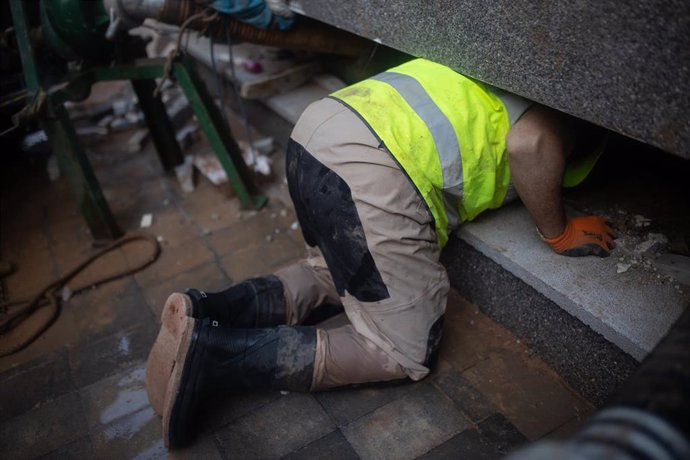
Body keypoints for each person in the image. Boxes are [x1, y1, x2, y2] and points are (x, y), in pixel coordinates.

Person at [145, 58, 616, 448]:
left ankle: (208, 310)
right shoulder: (565, 109)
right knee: (402, 351)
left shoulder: (497, 68)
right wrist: (558, 231)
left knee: (334, 273)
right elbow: (531, 144)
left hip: (316, 131)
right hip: (371, 167)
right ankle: (213, 355)